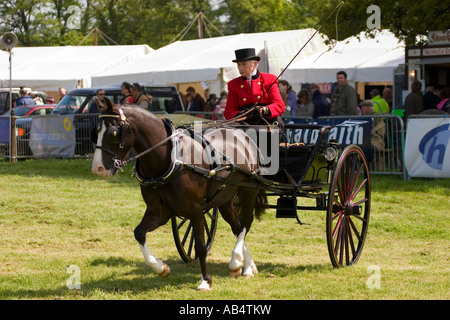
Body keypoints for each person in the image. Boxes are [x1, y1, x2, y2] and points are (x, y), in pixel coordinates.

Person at [224, 48, 285, 125]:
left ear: (255, 64)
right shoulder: (233, 84)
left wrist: (265, 110)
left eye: (244, 64)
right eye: (238, 65)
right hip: (244, 123)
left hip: (267, 122)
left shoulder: (269, 79)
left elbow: (279, 105)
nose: (240, 68)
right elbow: (228, 111)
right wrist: (241, 114)